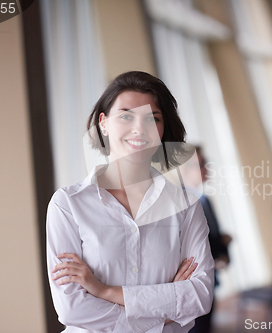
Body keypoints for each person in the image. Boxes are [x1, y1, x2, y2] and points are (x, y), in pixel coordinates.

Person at [46, 71, 215, 333]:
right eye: (126, 115)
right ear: (103, 123)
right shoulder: (68, 204)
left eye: (152, 118)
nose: (139, 128)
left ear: (161, 129)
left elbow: (200, 297)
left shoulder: (186, 206)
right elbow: (73, 309)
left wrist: (105, 291)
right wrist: (165, 311)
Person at [182, 146, 231, 333]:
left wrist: (222, 248)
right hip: (192, 284)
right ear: (186, 169)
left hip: (210, 280)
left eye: (206, 163)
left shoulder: (204, 199)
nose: (206, 168)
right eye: (200, 165)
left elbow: (211, 237)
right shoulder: (177, 203)